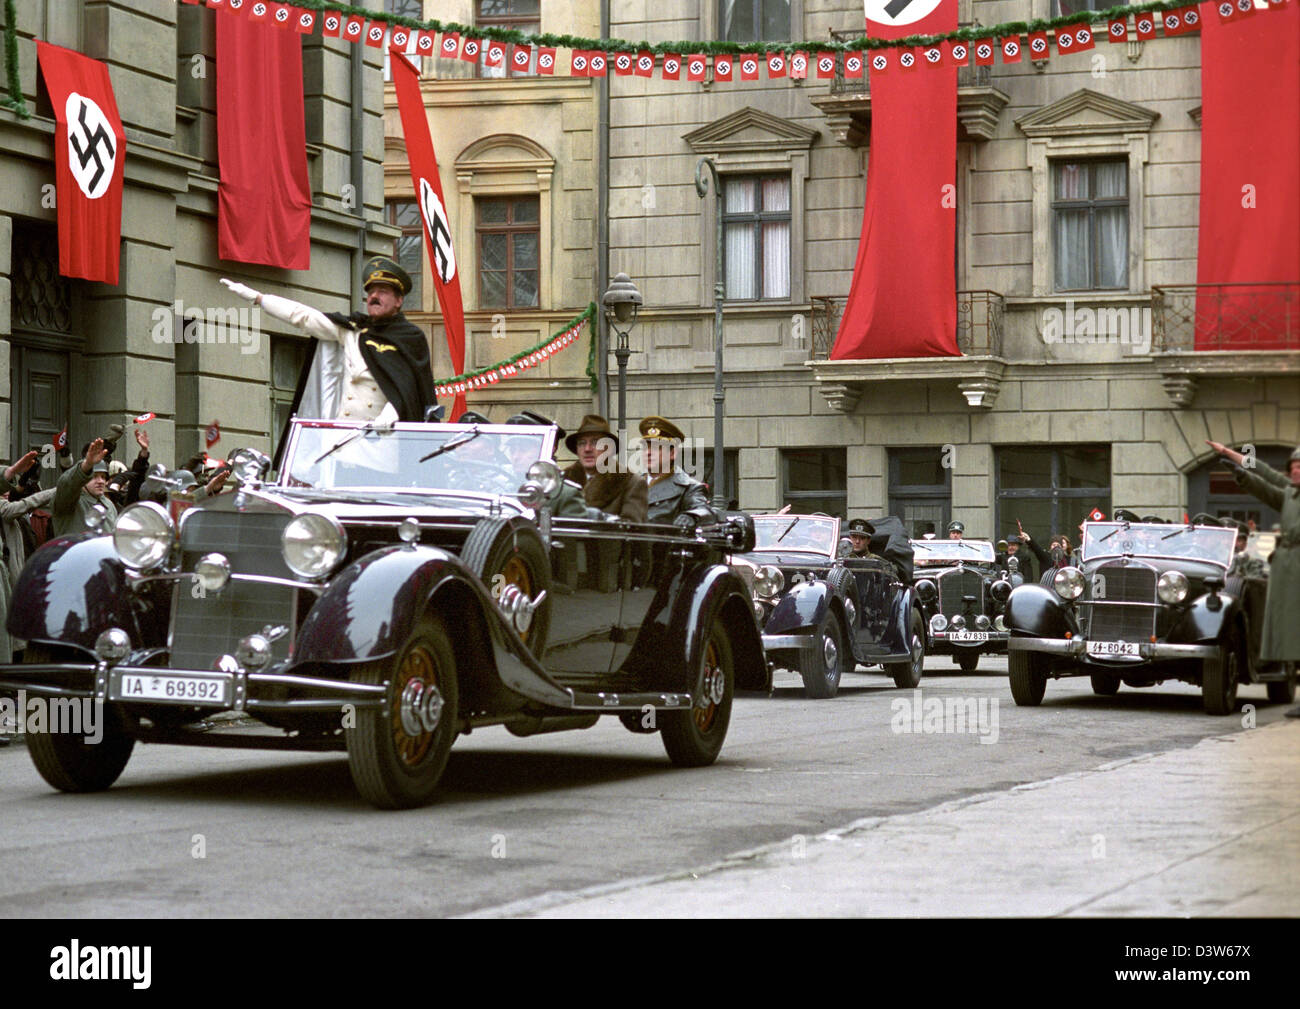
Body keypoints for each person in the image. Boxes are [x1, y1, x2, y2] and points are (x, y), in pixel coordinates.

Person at [221, 256, 435, 425]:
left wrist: (390, 416)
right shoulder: (354, 330)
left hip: (383, 441)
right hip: (343, 440)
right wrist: (259, 298)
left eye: (383, 291)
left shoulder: (410, 337)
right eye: (370, 292)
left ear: (398, 300)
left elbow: (408, 391)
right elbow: (303, 317)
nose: (374, 297)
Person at [1206, 439, 1300, 716]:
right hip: (1287, 565)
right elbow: (1264, 477)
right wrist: (1237, 467)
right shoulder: (1289, 494)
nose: (1295, 471)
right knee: (1289, 627)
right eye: (1293, 467)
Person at [562, 414, 647, 522]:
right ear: (577, 449)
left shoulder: (631, 483)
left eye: (595, 442)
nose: (587, 449)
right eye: (582, 443)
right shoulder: (561, 481)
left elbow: (630, 531)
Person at [639, 415, 715, 528]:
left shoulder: (689, 488)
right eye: (645, 447)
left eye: (655, 448)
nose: (648, 453)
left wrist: (691, 516)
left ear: (672, 453)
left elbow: (703, 510)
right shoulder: (630, 485)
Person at [51, 439, 117, 537]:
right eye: (94, 476)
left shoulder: (109, 505)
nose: (100, 481)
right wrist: (87, 465)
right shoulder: (70, 501)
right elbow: (67, 485)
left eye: (103, 477)